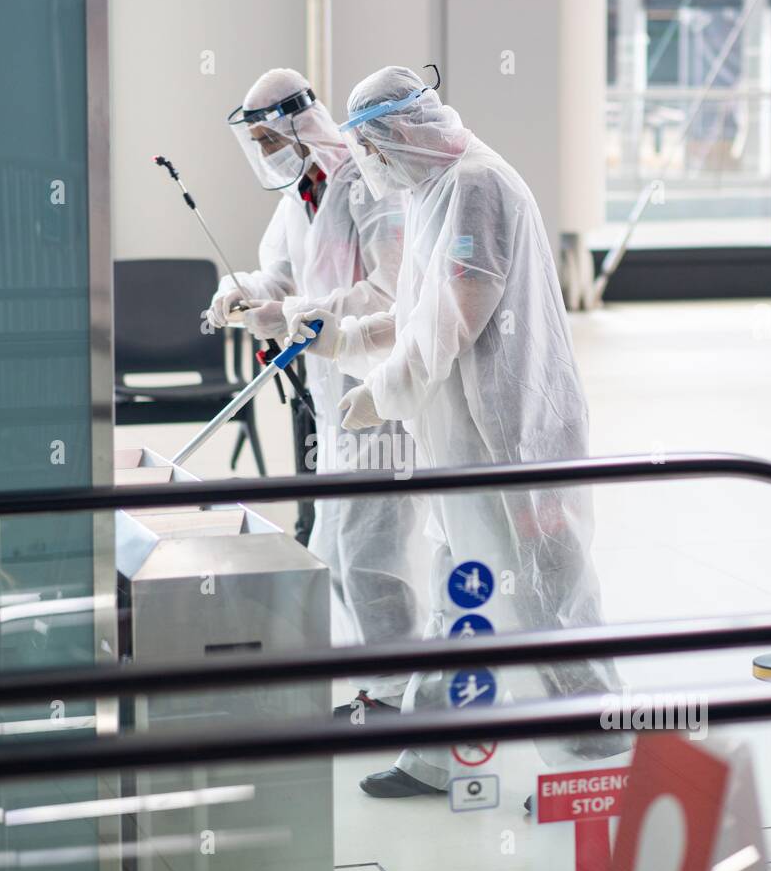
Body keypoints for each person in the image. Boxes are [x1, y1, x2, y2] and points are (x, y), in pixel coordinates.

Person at [287, 66, 627, 798]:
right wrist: (342, 339)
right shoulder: (433, 191)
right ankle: (438, 755)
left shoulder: (477, 186)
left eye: (370, 147)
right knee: (462, 590)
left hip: (515, 434)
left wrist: (383, 391)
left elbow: (454, 320)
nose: (367, 165)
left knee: (547, 599)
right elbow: (416, 316)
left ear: (400, 134)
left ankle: (602, 763)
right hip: (465, 438)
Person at [205, 68, 427, 715]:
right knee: (334, 540)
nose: (267, 154)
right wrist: (240, 293)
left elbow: (392, 294)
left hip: (380, 389)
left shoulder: (369, 189)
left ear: (302, 125)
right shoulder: (297, 198)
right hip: (335, 396)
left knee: (370, 547)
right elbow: (277, 272)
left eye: (273, 139)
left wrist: (298, 312)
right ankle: (371, 675)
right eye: (260, 145)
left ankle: (394, 689)